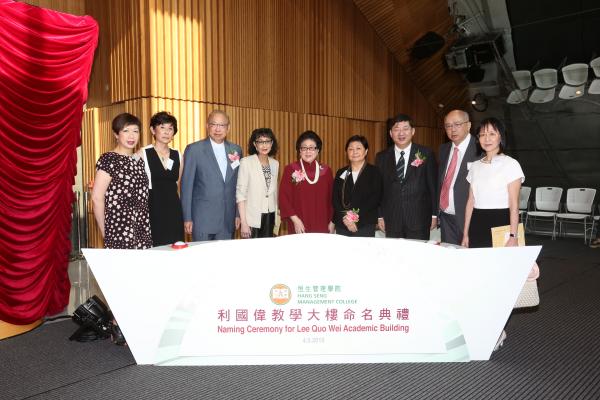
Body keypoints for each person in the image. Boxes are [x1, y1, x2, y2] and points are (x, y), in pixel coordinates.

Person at [91, 113, 152, 250]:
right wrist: (105, 232)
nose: (132, 136)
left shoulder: (138, 161)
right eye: (126, 131)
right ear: (116, 134)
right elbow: (96, 198)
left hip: (141, 229)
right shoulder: (109, 159)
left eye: (135, 131)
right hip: (118, 229)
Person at [462, 117, 524, 248]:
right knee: (478, 265)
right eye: (482, 135)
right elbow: (470, 202)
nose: (486, 138)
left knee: (501, 266)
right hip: (477, 223)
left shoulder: (511, 164)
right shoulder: (475, 166)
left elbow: (514, 204)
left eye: (491, 134)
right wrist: (465, 233)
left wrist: (513, 236)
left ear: (500, 137)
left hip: (501, 223)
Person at [180, 110, 242, 241]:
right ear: (207, 126)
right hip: (202, 219)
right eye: (214, 124)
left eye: (222, 125)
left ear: (228, 128)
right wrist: (187, 217)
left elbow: (238, 185)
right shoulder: (194, 149)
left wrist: (237, 214)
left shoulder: (236, 150)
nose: (218, 129)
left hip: (227, 218)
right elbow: (186, 187)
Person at [375, 114, 437, 239]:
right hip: (392, 220)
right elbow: (379, 189)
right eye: (396, 129)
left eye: (405, 128)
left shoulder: (426, 153)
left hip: (419, 219)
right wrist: (380, 216)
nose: (401, 133)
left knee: (418, 256)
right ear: (391, 133)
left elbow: (433, 186)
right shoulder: (381, 157)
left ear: (413, 131)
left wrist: (434, 215)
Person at [140, 111, 184, 246]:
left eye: (170, 128)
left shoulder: (178, 155)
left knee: (176, 248)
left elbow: (177, 184)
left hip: (174, 210)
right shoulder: (143, 153)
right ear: (153, 130)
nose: (166, 132)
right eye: (162, 127)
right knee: (156, 250)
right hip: (153, 209)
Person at [437, 109, 480, 245]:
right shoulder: (443, 149)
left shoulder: (480, 149)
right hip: (445, 218)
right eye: (448, 126)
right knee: (450, 260)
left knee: (471, 260)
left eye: (457, 124)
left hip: (470, 219)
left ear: (468, 125)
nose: (452, 129)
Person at [279, 130, 334, 234]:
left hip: (322, 224)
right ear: (299, 151)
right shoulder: (291, 169)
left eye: (312, 148)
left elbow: (333, 199)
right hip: (299, 224)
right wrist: (295, 220)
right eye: (304, 148)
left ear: (318, 150)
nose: (308, 151)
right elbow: (283, 197)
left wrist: (332, 222)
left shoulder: (326, 171)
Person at [332, 135, 382, 237]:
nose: (354, 152)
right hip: (343, 224)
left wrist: (354, 219)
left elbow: (375, 199)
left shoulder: (374, 172)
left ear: (366, 151)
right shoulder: (341, 172)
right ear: (347, 152)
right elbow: (335, 199)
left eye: (358, 148)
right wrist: (346, 219)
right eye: (350, 149)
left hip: (365, 224)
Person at [236, 128, 279, 238]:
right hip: (252, 217)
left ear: (272, 143)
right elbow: (241, 194)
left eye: (267, 141)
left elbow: (274, 192)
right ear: (255, 144)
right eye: (260, 141)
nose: (264, 145)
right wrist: (244, 223)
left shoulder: (275, 163)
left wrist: (277, 220)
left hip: (270, 215)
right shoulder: (246, 162)